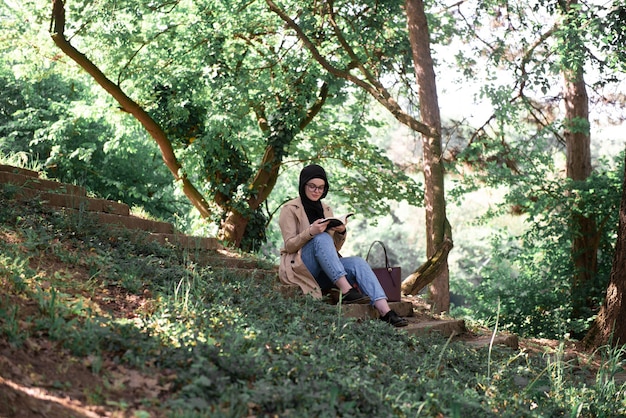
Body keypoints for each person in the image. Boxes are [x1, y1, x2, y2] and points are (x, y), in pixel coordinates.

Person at [278, 164, 409, 327]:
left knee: (358, 262)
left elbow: (332, 251)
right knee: (320, 238)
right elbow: (289, 246)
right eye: (312, 186)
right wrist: (310, 232)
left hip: (325, 271)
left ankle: (385, 311)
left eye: (321, 187)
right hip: (301, 267)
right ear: (303, 185)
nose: (316, 191)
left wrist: (341, 232)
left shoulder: (326, 210)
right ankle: (346, 291)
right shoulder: (290, 209)